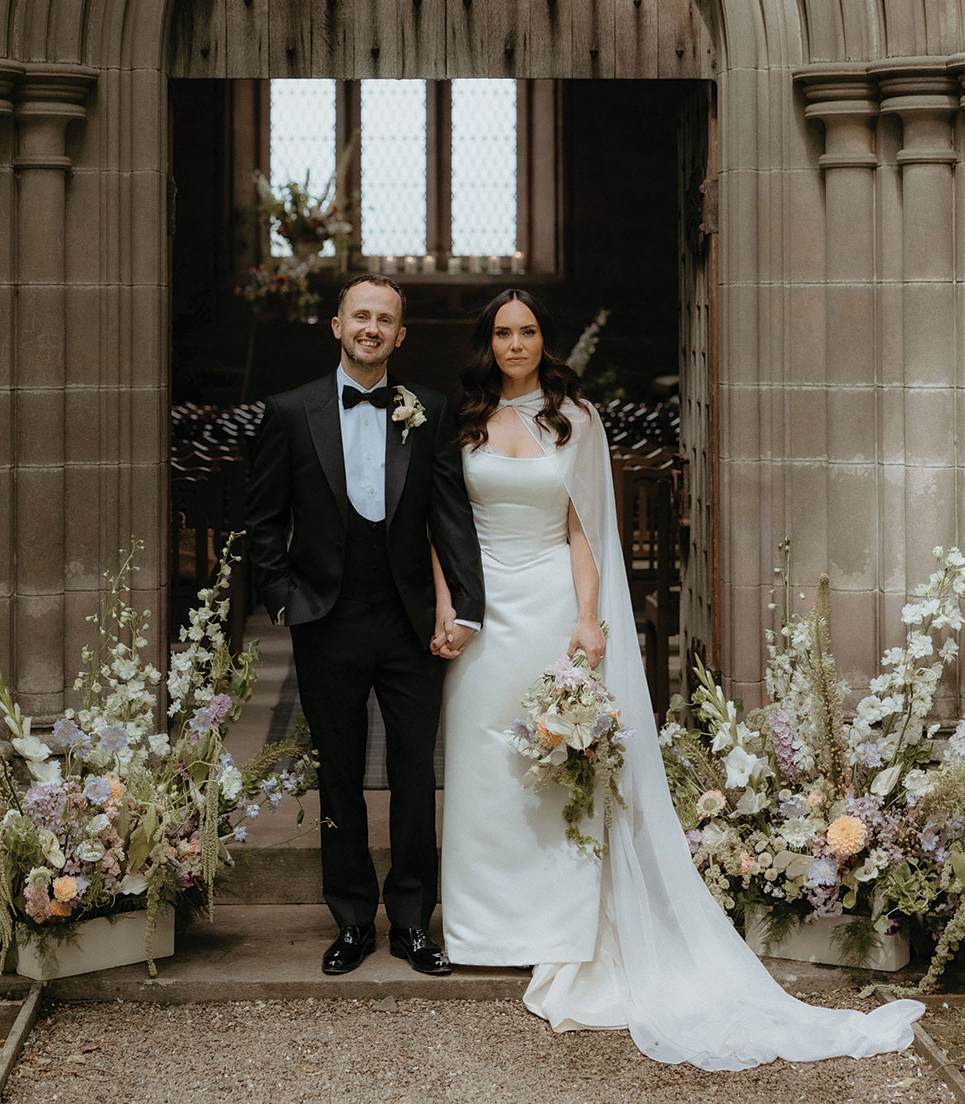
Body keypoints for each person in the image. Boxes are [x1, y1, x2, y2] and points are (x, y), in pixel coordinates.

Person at [433, 287, 925, 1070]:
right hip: (485, 614)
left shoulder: (577, 421)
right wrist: (448, 607)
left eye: (527, 331)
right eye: (502, 332)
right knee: (487, 765)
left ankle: (558, 928)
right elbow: (443, 525)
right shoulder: (462, 420)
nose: (515, 343)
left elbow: (585, 530)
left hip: (553, 604)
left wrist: (589, 619)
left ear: (545, 340)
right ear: (486, 342)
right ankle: (478, 926)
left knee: (558, 767)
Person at [246, 273, 485, 978]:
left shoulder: (430, 410)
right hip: (327, 619)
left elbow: (450, 517)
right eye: (360, 316)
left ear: (400, 334)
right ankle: (351, 919)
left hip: (410, 621)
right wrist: (285, 598)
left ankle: (413, 922)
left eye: (385, 319)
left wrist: (463, 604)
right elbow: (263, 523)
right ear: (337, 325)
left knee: (417, 774)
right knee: (340, 775)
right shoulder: (291, 412)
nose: (371, 328)